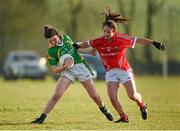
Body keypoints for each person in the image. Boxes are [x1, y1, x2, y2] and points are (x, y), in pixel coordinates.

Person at [73, 8, 165, 123]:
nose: (106, 34)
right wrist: (75, 45)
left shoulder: (121, 38)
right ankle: (123, 117)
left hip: (124, 70)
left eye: (109, 32)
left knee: (132, 96)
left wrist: (153, 42)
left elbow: (138, 40)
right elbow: (85, 44)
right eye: (105, 31)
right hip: (110, 72)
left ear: (114, 31)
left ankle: (142, 105)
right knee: (112, 98)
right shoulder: (99, 41)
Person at [31, 25, 113, 124]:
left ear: (58, 35)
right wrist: (64, 67)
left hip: (80, 67)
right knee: (57, 95)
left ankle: (104, 109)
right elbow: (54, 70)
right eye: (50, 41)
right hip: (67, 71)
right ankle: (41, 118)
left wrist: (90, 52)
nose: (53, 42)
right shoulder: (51, 51)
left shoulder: (66, 38)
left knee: (94, 95)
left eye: (54, 39)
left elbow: (75, 50)